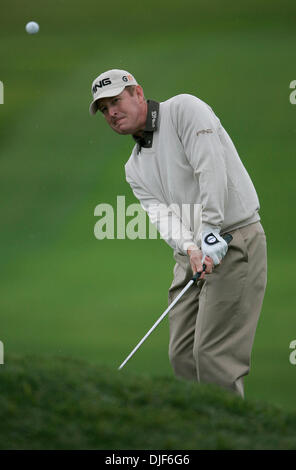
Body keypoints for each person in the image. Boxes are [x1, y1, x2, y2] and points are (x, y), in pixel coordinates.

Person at [89, 68, 267, 398]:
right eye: (103, 109)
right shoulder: (135, 167)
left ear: (138, 93)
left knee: (214, 358)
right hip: (192, 254)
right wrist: (190, 246)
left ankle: (229, 439)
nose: (111, 112)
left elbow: (210, 169)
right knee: (182, 356)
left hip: (234, 238)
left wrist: (210, 231)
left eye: (116, 101)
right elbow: (163, 218)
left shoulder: (184, 109)